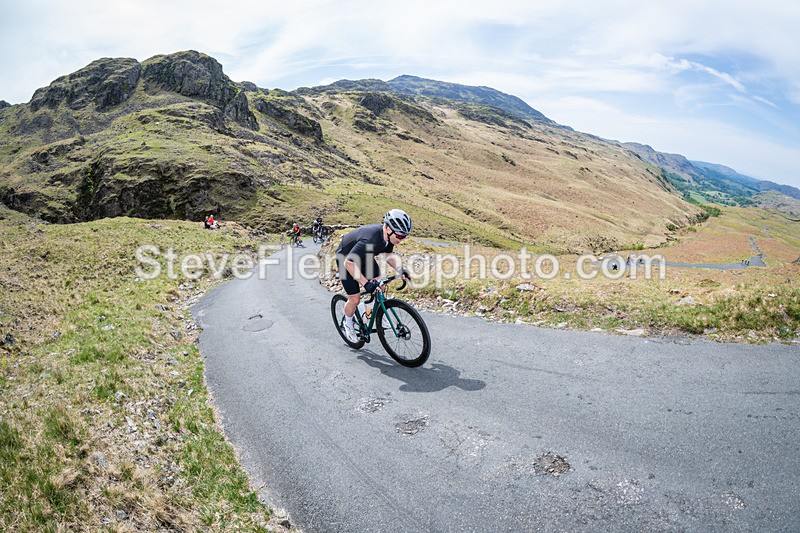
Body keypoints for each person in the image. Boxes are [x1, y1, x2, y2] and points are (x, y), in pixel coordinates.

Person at [336, 209, 412, 342]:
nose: (401, 240)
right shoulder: (370, 239)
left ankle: (370, 314)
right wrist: (366, 283)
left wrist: (400, 270)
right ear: (388, 228)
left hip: (365, 257)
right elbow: (349, 263)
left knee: (380, 288)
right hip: (346, 259)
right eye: (400, 236)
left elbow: (387, 255)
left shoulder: (388, 238)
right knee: (355, 299)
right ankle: (348, 324)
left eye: (404, 236)